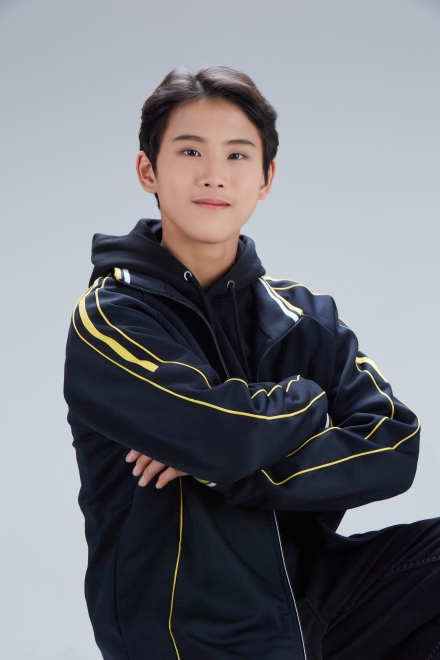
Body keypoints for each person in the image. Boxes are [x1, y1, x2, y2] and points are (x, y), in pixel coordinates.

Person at [63, 66, 440, 660]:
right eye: (190, 151)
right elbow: (220, 436)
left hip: (310, 600)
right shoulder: (110, 317)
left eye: (237, 155)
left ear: (265, 179)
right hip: (187, 631)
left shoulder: (305, 317)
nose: (214, 174)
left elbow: (394, 447)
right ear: (148, 171)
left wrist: (226, 463)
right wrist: (309, 400)